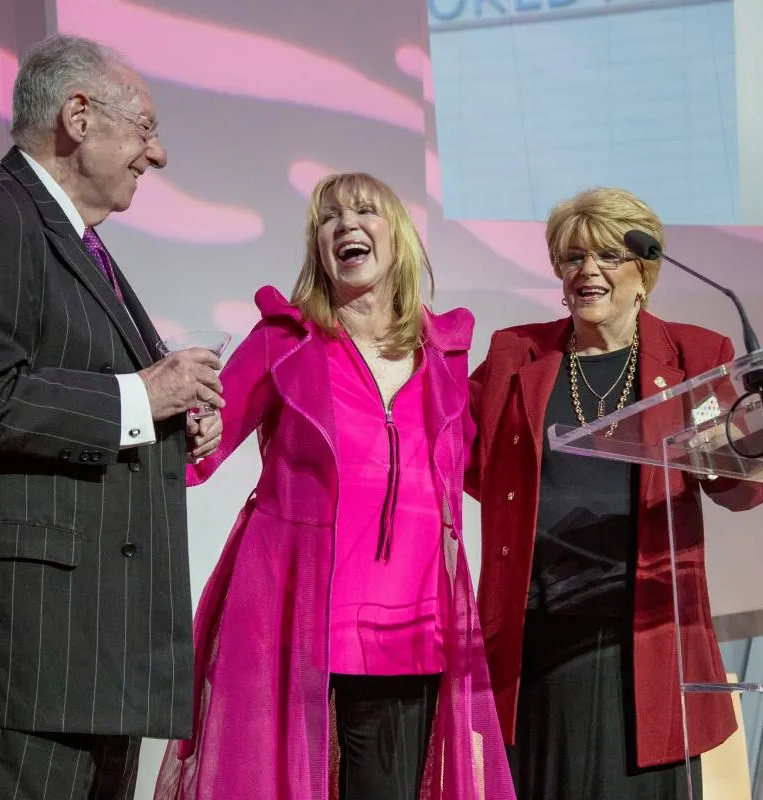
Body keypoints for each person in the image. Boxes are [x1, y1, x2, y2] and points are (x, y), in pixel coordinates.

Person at [0, 34, 225, 799]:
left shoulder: (77, 243)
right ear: (79, 116)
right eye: (146, 127)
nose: (156, 156)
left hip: (83, 659)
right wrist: (139, 397)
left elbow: (68, 398)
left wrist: (167, 423)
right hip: (15, 656)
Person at [155, 172, 515, 800]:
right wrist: (187, 429)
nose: (346, 225)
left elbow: (478, 473)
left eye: (364, 211)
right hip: (294, 618)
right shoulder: (286, 341)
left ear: (397, 236)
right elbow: (197, 451)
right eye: (329, 218)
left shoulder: (444, 354)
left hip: (413, 624)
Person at [467, 187, 763, 799]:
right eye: (573, 258)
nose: (588, 271)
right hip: (539, 635)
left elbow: (741, 489)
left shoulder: (695, 356)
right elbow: (461, 457)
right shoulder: (515, 354)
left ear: (643, 272)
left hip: (646, 636)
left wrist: (721, 446)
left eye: (607, 255)